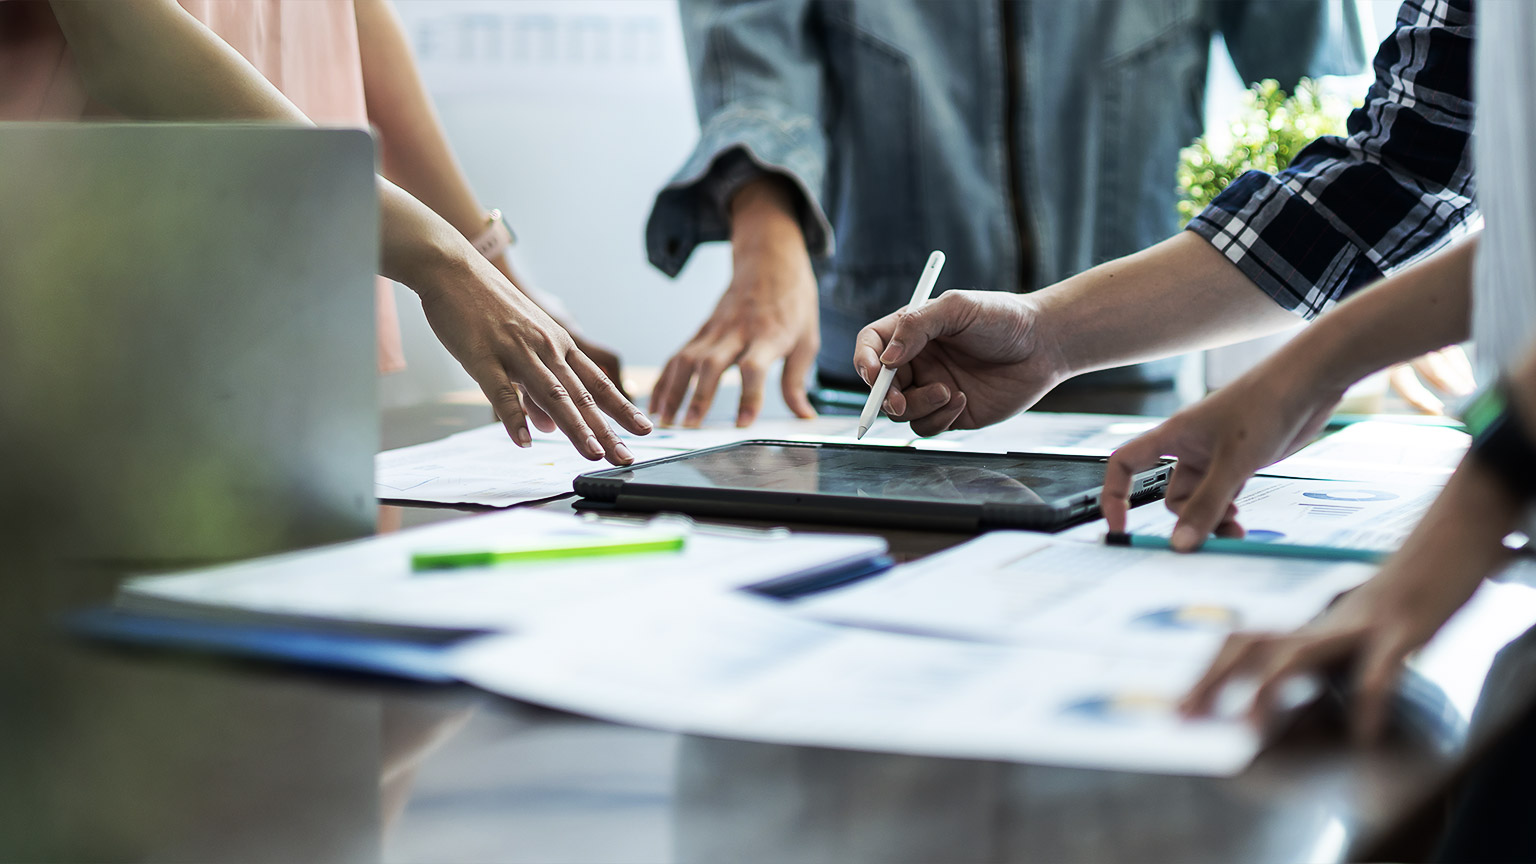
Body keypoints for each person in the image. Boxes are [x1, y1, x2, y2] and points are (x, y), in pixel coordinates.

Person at [643, 0, 1368, 429]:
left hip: (1135, 349)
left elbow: (1316, 96)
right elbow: (753, 45)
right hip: (890, 365)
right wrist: (767, 226)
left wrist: (1362, 270)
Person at [0, 0, 649, 464]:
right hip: (86, 297)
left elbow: (344, 17)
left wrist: (500, 278)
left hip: (282, 309)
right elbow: (122, 39)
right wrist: (441, 260)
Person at [852, 0, 1475, 439]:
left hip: (1150, 370)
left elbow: (1367, 152)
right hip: (923, 331)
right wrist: (1046, 336)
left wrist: (1363, 329)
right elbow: (1399, 173)